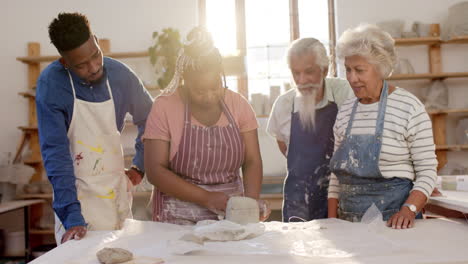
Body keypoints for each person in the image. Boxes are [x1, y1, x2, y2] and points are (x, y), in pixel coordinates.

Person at [36, 12, 153, 244]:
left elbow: (151, 120)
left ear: (97, 41)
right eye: (81, 65)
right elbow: (55, 154)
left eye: (96, 56)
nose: (93, 67)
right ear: (64, 63)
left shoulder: (121, 75)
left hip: (116, 194)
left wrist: (140, 165)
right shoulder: (51, 85)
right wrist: (72, 217)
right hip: (76, 198)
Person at [143, 27, 267, 225]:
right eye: (200, 91)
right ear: (185, 81)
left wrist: (250, 204)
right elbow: (155, 171)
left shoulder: (239, 105)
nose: (209, 96)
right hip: (177, 216)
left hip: (231, 215)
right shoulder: (164, 107)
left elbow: (252, 160)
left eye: (215, 87)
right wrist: (206, 197)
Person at [328, 24, 438, 229]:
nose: (352, 78)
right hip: (348, 223)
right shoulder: (345, 111)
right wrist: (332, 221)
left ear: (381, 68)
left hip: (396, 223)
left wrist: (409, 210)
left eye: (359, 70)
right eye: (348, 70)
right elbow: (336, 176)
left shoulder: (409, 107)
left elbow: (428, 171)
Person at [267, 38, 353, 222]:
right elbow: (284, 147)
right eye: (296, 73)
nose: (302, 80)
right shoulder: (283, 105)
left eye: (309, 72)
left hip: (342, 198)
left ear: (325, 69)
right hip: (299, 200)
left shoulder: (345, 93)